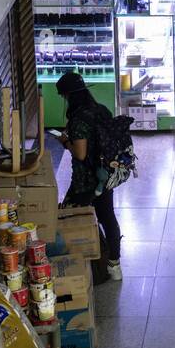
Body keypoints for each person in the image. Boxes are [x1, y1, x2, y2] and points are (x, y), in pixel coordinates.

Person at [55, 71, 122, 282]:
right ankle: (114, 264)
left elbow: (81, 153)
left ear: (69, 96)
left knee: (69, 217)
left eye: (64, 97)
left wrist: (65, 142)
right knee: (107, 218)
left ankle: (81, 266)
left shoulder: (78, 119)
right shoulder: (101, 110)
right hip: (105, 175)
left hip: (85, 181)